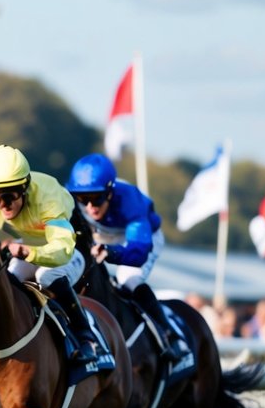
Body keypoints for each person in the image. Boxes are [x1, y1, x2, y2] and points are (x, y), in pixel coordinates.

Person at [0, 145, 101, 366]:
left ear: (24, 188)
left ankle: (85, 336)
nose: (2, 204)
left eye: (9, 197)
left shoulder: (48, 197)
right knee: (9, 280)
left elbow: (62, 250)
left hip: (71, 247)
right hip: (31, 243)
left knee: (46, 277)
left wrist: (27, 252)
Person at [66, 153, 190, 362]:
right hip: (100, 234)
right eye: (82, 198)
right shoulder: (71, 200)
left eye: (96, 198)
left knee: (128, 280)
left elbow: (139, 251)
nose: (89, 207)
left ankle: (169, 334)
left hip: (139, 237)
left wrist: (112, 252)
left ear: (110, 192)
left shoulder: (130, 202)